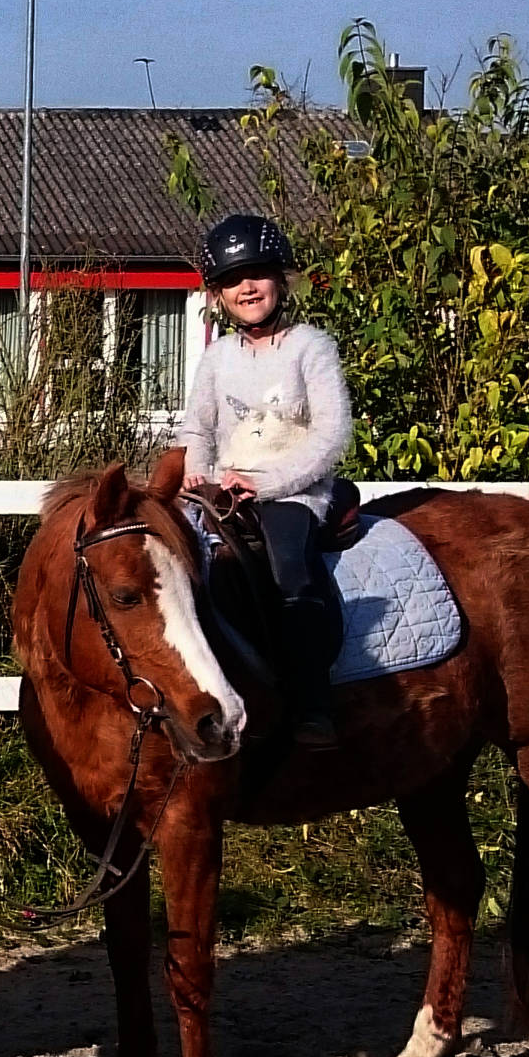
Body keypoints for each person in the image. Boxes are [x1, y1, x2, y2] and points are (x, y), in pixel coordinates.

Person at [178, 212, 352, 750]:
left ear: (281, 279)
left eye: (257, 273)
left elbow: (331, 434)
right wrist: (196, 479)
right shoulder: (217, 357)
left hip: (294, 489)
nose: (246, 287)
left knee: (289, 569)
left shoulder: (311, 347)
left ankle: (312, 704)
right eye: (233, 279)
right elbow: (198, 429)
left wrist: (267, 484)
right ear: (218, 294)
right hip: (221, 490)